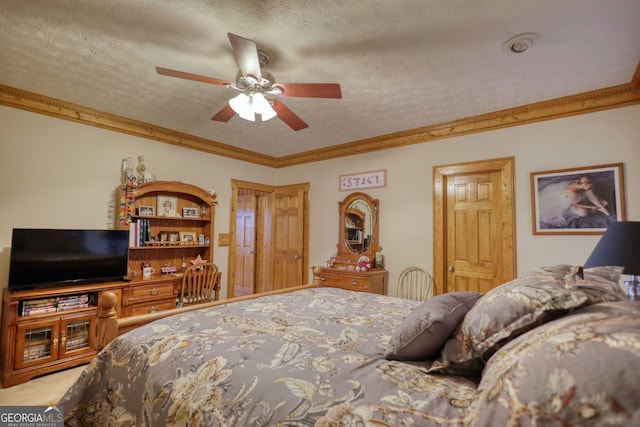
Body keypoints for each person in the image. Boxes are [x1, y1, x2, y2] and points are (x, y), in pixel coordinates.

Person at [538, 175, 609, 228]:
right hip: (571, 205)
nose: (588, 185)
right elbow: (576, 204)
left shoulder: (584, 189)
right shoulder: (572, 193)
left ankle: (600, 206)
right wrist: (590, 207)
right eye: (585, 184)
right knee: (584, 213)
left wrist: (588, 189)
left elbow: (587, 189)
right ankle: (595, 206)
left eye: (589, 183)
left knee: (589, 193)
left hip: (578, 199)